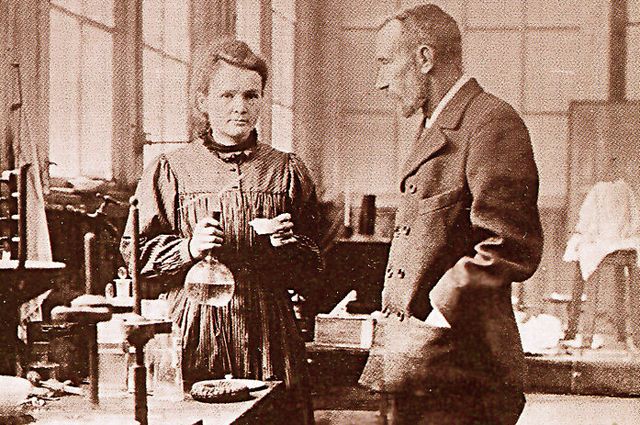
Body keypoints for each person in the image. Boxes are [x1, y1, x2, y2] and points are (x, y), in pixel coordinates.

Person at [120, 38, 320, 424]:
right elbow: (134, 254)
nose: (240, 107)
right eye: (227, 95)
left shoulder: (286, 171)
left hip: (268, 332)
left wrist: (288, 245)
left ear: (261, 100)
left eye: (251, 95)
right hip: (193, 330)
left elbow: (315, 266)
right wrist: (188, 248)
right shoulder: (170, 170)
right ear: (203, 102)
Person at [368, 4, 544, 424]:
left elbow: (507, 245)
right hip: (419, 361)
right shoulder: (437, 124)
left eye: (386, 62)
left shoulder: (491, 121)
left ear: (424, 58)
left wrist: (435, 314)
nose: (380, 82)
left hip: (463, 371)